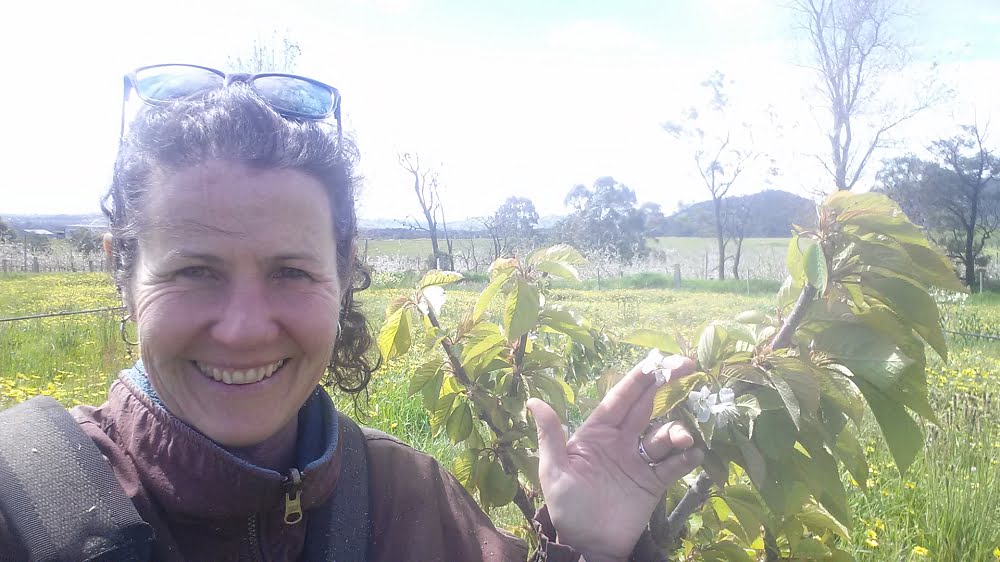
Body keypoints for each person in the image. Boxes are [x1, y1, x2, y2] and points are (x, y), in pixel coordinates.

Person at [0, 64, 703, 561]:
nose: (244, 327)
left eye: (291, 272)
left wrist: (589, 550)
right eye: (194, 272)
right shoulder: (21, 504)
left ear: (344, 273)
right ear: (122, 272)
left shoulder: (410, 499)